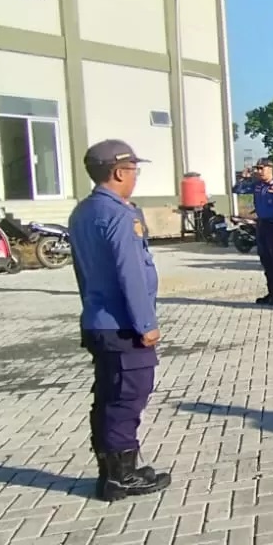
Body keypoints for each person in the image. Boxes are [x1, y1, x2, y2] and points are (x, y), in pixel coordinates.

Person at [68, 139, 172, 502]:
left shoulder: (82, 212)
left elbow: (82, 272)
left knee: (109, 397)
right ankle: (120, 477)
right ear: (117, 172)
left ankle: (113, 470)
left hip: (98, 320)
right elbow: (131, 273)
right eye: (133, 171)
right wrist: (146, 324)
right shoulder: (119, 215)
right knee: (127, 398)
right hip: (123, 324)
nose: (135, 177)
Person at [246, 157, 273, 304]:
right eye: (257, 169)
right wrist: (245, 178)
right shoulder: (257, 186)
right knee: (266, 260)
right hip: (262, 225)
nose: (259, 171)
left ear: (270, 169)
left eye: (261, 168)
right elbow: (237, 189)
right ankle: (271, 293)